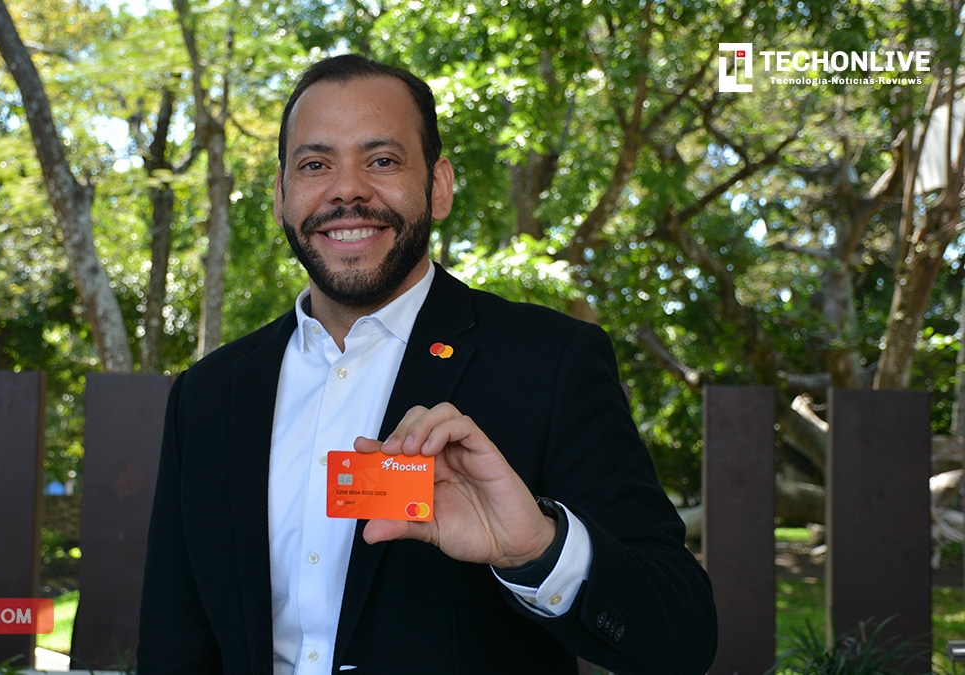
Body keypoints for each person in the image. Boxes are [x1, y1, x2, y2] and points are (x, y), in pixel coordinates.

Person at [136, 54, 717, 675]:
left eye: (382, 160)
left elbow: (680, 637)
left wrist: (539, 550)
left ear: (438, 187)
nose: (347, 189)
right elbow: (175, 642)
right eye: (315, 164)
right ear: (280, 196)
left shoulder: (550, 363)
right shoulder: (208, 394)